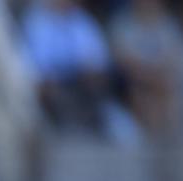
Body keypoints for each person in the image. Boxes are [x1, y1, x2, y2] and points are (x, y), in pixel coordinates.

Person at [20, 0, 118, 133]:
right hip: (49, 81)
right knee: (45, 86)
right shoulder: (36, 21)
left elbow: (98, 59)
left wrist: (91, 70)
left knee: (98, 79)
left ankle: (97, 126)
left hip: (79, 80)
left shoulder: (83, 20)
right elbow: (34, 62)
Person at [110, 0, 183, 134]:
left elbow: (175, 55)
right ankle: (147, 133)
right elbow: (121, 56)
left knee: (165, 87)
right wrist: (146, 73)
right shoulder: (123, 23)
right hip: (132, 77)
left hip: (159, 76)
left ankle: (168, 133)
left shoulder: (168, 25)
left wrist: (157, 72)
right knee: (140, 90)